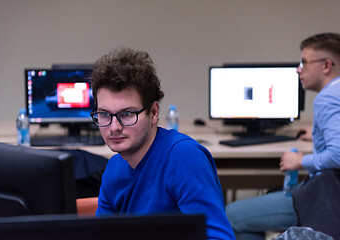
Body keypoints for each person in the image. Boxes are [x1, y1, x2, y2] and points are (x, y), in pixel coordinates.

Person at [90, 47, 235, 240]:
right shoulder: (113, 169)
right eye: (105, 114)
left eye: (127, 114)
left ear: (154, 113)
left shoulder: (182, 157)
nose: (114, 127)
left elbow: (219, 238)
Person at [226, 32, 340, 240]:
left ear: (326, 66)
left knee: (231, 217)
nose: (298, 69)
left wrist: (300, 161)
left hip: (327, 199)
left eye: (305, 62)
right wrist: (317, 137)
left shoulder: (327, 98)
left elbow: (339, 155)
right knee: (268, 197)